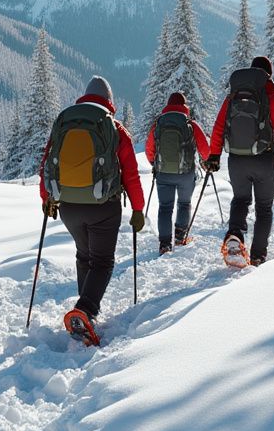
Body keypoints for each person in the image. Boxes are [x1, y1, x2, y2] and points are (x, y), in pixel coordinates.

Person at [40, 76, 145, 345]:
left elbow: (47, 163)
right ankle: (85, 310)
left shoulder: (65, 123)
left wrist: (46, 198)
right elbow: (131, 174)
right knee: (102, 261)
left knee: (84, 255)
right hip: (103, 207)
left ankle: (83, 308)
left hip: (68, 207)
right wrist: (138, 208)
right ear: (109, 101)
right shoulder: (115, 128)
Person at [204, 56, 274, 267]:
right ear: (269, 75)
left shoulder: (233, 97)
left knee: (240, 200)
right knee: (264, 207)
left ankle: (235, 237)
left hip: (237, 160)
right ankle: (258, 256)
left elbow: (219, 127)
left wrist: (214, 156)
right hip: (264, 159)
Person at [144, 91, 211, 254]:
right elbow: (205, 150)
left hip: (163, 173)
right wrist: (206, 162)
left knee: (165, 207)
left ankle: (165, 244)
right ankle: (181, 238)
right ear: (184, 106)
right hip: (186, 173)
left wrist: (154, 163)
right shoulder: (190, 124)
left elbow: (149, 149)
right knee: (184, 204)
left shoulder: (158, 123)